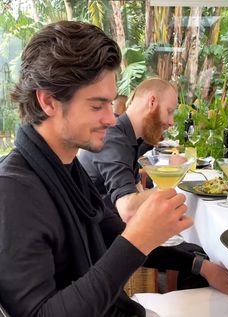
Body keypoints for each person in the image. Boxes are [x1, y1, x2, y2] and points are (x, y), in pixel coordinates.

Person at [0, 20, 196, 317]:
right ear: (49, 101)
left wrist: (200, 265)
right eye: (97, 105)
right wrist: (137, 240)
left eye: (111, 103)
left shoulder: (68, 170)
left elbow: (114, 232)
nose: (111, 118)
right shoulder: (13, 191)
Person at [79, 78, 228, 296]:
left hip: (113, 236)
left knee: (199, 254)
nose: (172, 122)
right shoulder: (114, 138)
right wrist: (171, 182)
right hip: (98, 253)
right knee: (201, 260)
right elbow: (128, 210)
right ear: (152, 102)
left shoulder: (130, 140)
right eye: (170, 111)